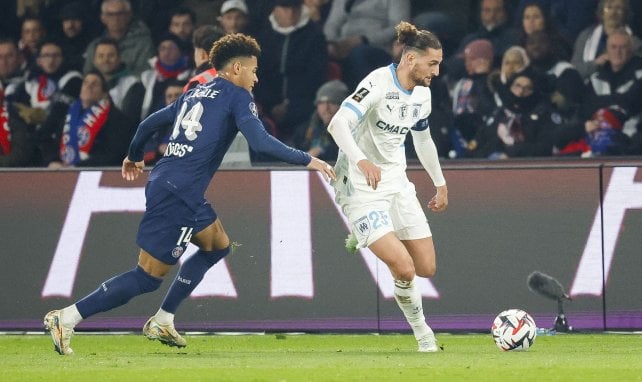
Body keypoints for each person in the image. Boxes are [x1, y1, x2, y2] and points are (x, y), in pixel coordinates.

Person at [43, 32, 336, 355]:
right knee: (147, 277)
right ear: (237, 68)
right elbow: (261, 142)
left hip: (173, 184)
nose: (256, 77)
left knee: (216, 246)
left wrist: (135, 156)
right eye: (253, 70)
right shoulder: (238, 97)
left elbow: (147, 125)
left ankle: (164, 319)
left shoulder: (195, 92)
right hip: (178, 194)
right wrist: (309, 159)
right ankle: (67, 317)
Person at [327, 21, 446, 353]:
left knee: (426, 267)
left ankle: (371, 232)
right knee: (405, 267)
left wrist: (440, 183)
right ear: (410, 58)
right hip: (361, 187)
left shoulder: (422, 94)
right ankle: (425, 336)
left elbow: (423, 139)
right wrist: (362, 161)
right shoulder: (378, 82)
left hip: (397, 184)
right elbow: (338, 124)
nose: (436, 71)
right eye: (432, 63)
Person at [253, 0, 328, 147]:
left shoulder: (315, 36)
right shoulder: (261, 36)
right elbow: (257, 75)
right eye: (284, 8)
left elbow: (315, 77)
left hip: (304, 106)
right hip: (267, 107)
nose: (290, 13)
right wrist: (272, 105)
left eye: (295, 8)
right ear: (274, 9)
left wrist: (290, 104)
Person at [41, 70, 135, 168]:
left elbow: (112, 154)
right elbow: (55, 144)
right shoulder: (69, 115)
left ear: (104, 93)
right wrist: (52, 161)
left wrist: (77, 167)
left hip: (96, 174)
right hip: (64, 172)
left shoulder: (117, 119)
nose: (89, 87)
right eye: (85, 83)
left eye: (95, 84)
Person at [323, 0, 410, 89]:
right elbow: (332, 24)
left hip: (377, 46)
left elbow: (400, 26)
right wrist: (331, 43)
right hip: (341, 44)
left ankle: (368, 97)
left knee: (358, 54)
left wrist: (364, 39)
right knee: (318, 53)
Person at [571, 0, 641, 80]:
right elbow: (574, 71)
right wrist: (596, 63)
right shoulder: (586, 36)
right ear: (601, 12)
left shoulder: (635, 43)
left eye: (618, 8)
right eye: (609, 7)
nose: (613, 13)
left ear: (625, 13)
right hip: (587, 87)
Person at [83, 0, 155, 76]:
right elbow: (88, 75)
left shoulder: (143, 44)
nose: (115, 18)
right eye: (110, 14)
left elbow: (145, 75)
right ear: (103, 18)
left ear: (129, 15)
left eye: (120, 14)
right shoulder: (94, 46)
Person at [91, 37, 145, 124]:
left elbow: (129, 121)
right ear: (94, 60)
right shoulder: (88, 83)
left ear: (119, 58)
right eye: (101, 56)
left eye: (111, 55)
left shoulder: (133, 84)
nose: (106, 60)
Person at [139, 33, 191, 120]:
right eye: (163, 49)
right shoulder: (148, 78)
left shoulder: (190, 75)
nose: (167, 52)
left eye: (171, 48)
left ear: (180, 51)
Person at [300, 79, 349, 160]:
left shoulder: (354, 131)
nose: (326, 108)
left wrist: (322, 151)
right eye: (321, 103)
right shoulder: (304, 130)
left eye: (332, 103)